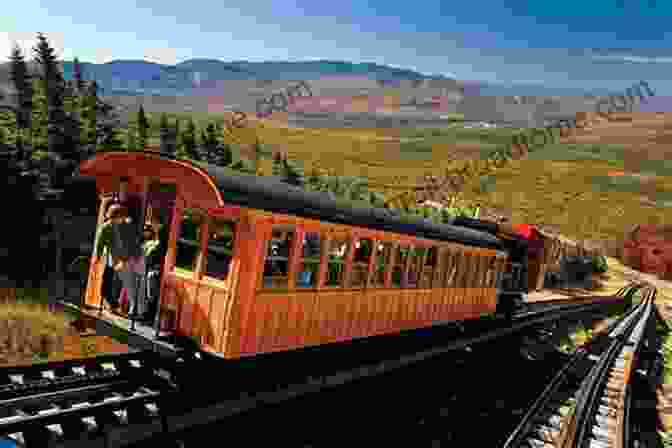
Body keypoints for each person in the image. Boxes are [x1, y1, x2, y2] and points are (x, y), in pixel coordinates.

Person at [93, 203, 147, 320]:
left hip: (133, 257)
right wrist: (97, 258)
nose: (122, 219)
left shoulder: (127, 226)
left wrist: (126, 260)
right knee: (119, 285)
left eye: (123, 217)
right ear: (113, 217)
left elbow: (132, 244)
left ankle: (139, 311)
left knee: (135, 284)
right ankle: (127, 308)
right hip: (118, 259)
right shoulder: (105, 228)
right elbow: (100, 245)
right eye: (119, 217)